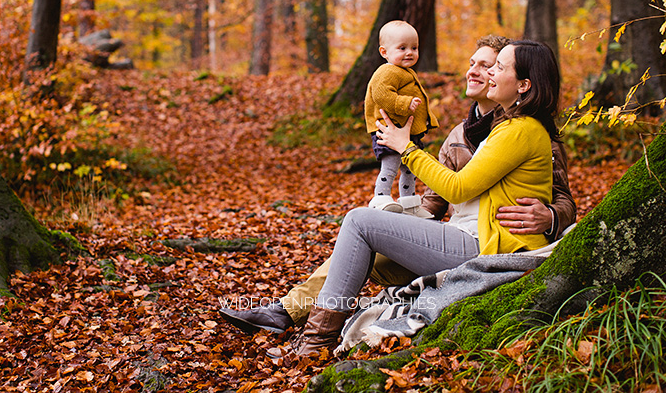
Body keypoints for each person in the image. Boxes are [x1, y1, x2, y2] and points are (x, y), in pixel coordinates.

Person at [218, 37, 576, 338]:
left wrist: (550, 218)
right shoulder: (459, 136)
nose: (477, 71)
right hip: (456, 237)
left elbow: (559, 198)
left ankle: (316, 336)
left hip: (486, 243)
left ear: (520, 80)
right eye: (475, 63)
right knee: (363, 238)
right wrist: (398, 213)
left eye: (491, 65)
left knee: (361, 226)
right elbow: (435, 203)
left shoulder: (524, 129)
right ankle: (289, 313)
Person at [364, 20, 438, 214]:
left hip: (405, 131)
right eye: (402, 48)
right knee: (390, 165)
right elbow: (381, 94)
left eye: (414, 47)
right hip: (389, 130)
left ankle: (409, 202)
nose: (410, 52)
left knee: (409, 168)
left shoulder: (404, 72)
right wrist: (405, 104)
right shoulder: (387, 71)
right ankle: (380, 197)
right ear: (384, 52)